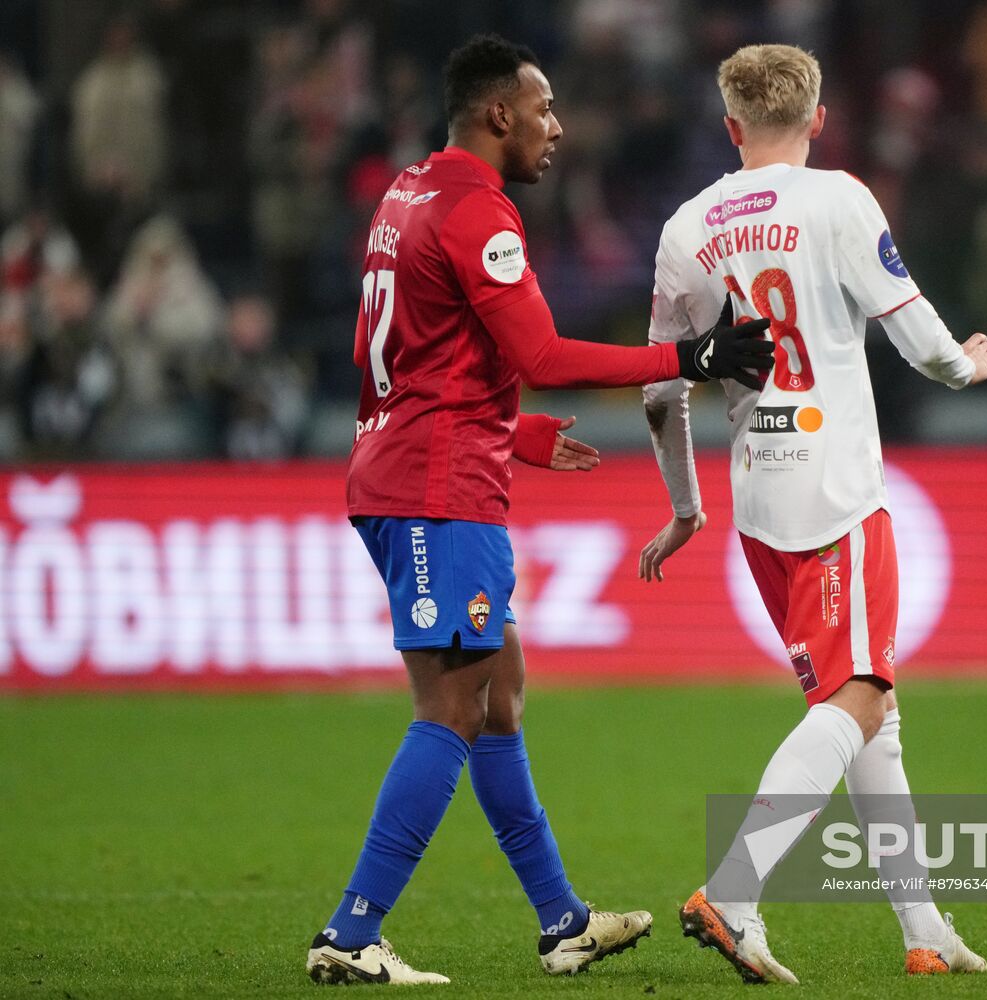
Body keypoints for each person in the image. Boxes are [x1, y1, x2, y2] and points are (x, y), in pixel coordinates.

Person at [306, 34, 772, 986]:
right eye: (544, 108)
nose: (557, 127)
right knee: (451, 707)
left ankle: (563, 922)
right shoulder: (481, 212)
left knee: (501, 694)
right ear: (499, 114)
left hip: (410, 465)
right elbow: (545, 354)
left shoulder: (405, 195)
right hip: (437, 491)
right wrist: (691, 357)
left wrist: (507, 431)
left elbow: (404, 354)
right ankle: (352, 933)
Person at [638, 44, 987, 983]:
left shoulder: (687, 226)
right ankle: (733, 892)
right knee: (859, 695)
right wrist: (963, 364)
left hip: (758, 494)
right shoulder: (839, 198)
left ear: (731, 126)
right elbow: (913, 329)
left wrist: (684, 508)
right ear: (818, 119)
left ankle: (923, 929)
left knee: (869, 710)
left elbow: (660, 388)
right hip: (836, 487)